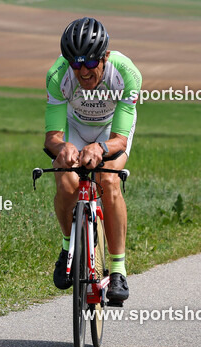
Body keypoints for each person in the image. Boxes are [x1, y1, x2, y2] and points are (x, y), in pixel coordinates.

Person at [44, 17, 140, 305]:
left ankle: (119, 269)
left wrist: (100, 147)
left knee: (109, 180)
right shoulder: (57, 75)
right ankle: (67, 248)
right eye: (75, 64)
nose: (82, 72)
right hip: (75, 129)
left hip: (110, 132)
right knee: (65, 180)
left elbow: (121, 140)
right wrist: (63, 149)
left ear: (105, 56)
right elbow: (52, 137)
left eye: (89, 64)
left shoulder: (126, 73)